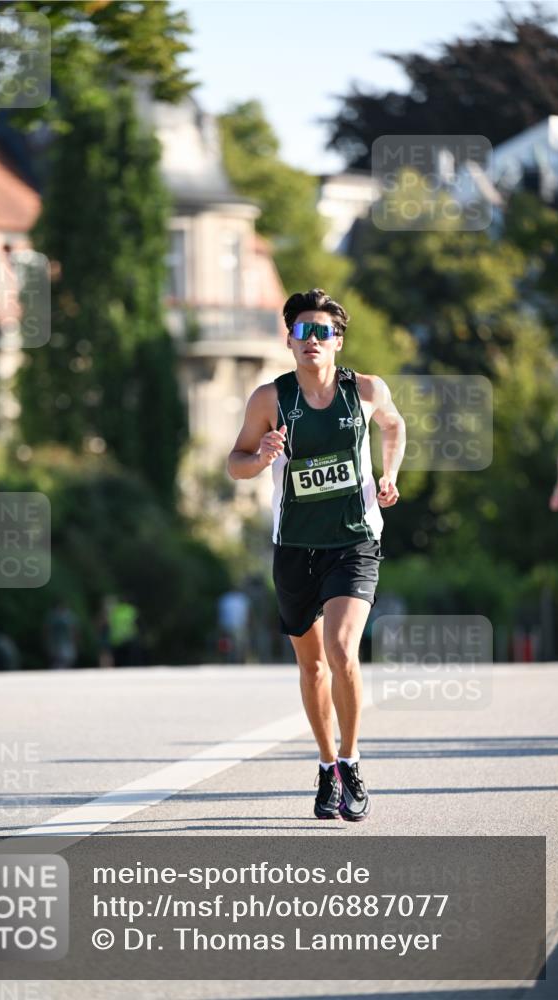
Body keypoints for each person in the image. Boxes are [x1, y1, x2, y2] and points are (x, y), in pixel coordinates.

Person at [227, 288, 405, 822]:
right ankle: (327, 765)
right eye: (303, 330)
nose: (312, 340)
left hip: (354, 541)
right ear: (289, 340)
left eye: (322, 331)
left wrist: (389, 474)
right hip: (295, 548)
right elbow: (235, 463)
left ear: (337, 341)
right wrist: (261, 457)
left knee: (342, 649)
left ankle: (351, 760)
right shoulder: (270, 399)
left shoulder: (366, 390)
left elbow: (394, 426)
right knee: (312, 667)